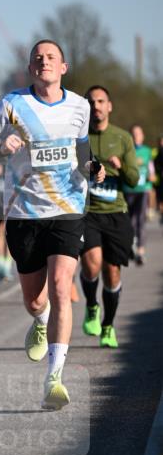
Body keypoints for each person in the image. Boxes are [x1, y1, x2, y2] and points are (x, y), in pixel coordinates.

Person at [0, 40, 102, 410]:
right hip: (24, 213)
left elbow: (82, 152)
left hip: (67, 209)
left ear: (64, 67)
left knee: (62, 287)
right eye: (37, 58)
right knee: (34, 298)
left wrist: (93, 168)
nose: (44, 62)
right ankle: (39, 320)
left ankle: (54, 376)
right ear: (31, 69)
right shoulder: (11, 104)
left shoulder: (79, 106)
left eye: (51, 57)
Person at [79, 88, 140, 347]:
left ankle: (108, 326)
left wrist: (120, 166)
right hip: (88, 212)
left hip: (116, 213)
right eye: (91, 102)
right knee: (92, 264)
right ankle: (92, 306)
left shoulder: (123, 138)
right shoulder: (79, 138)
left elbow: (135, 179)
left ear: (109, 106)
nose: (96, 106)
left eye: (101, 101)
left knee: (112, 272)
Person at [123, 125, 156, 265]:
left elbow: (151, 169)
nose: (136, 136)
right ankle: (131, 245)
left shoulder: (147, 151)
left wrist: (152, 176)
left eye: (138, 134)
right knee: (129, 220)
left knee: (140, 220)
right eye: (134, 134)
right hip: (128, 190)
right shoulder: (125, 151)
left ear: (142, 136)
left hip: (143, 190)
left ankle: (140, 251)